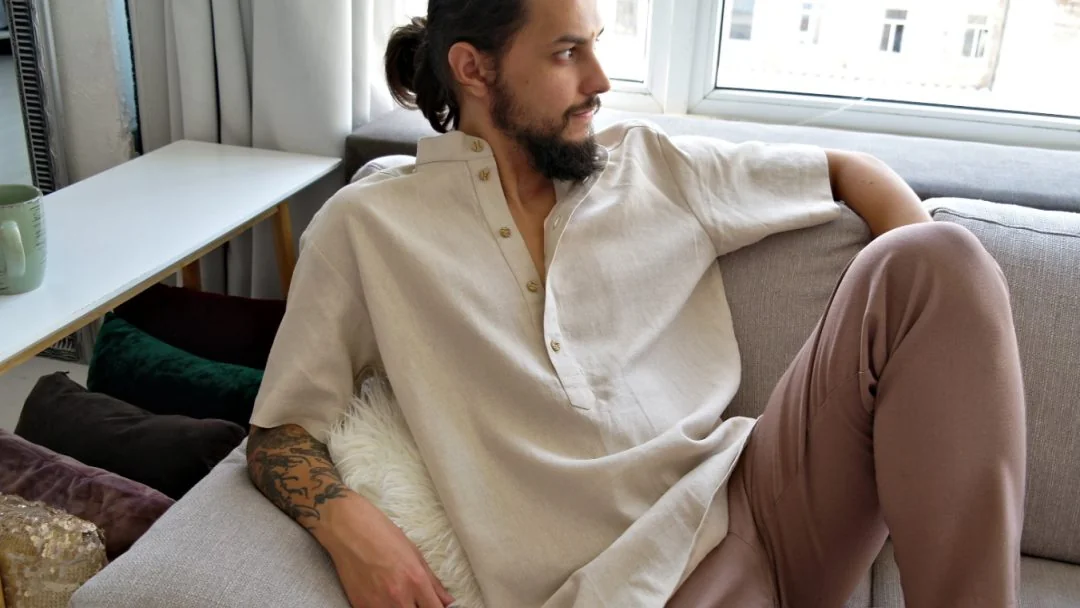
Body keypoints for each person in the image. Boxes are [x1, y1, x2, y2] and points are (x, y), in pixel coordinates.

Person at [245, 0, 1026, 606]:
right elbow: (281, 431)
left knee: (937, 257)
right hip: (621, 589)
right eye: (567, 52)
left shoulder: (651, 166)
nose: (600, 80)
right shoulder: (367, 228)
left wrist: (923, 408)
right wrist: (348, 525)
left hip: (762, 498)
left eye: (596, 44)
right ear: (473, 70)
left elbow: (849, 170)